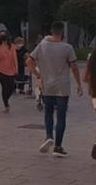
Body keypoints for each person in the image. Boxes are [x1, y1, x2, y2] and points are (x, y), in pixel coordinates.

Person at [27, 21, 82, 156]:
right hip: (62, 86)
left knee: (48, 112)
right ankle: (58, 146)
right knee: (61, 115)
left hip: (47, 84)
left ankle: (48, 135)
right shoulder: (67, 48)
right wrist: (79, 84)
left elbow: (29, 61)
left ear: (51, 31)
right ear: (62, 32)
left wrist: (38, 74)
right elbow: (74, 66)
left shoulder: (42, 46)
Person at [0, 31, 18, 111]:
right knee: (4, 86)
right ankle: (6, 104)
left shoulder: (11, 46)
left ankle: (6, 99)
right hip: (0, 69)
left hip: (10, 69)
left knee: (11, 86)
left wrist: (16, 68)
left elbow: (14, 58)